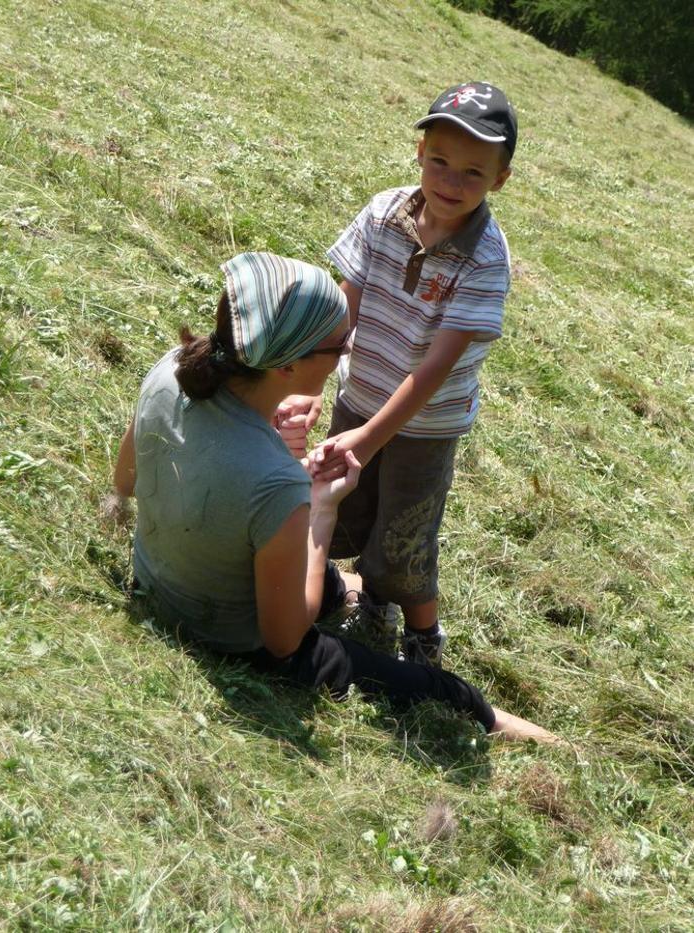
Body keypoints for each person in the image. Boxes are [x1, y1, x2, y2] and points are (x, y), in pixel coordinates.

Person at [113, 251, 555, 743]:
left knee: (315, 573)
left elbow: (126, 480)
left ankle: (348, 592)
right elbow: (284, 641)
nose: (347, 353)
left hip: (156, 581)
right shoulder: (276, 482)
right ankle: (540, 739)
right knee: (442, 689)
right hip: (226, 635)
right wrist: (320, 511)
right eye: (339, 346)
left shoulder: (170, 370)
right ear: (286, 366)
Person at [288, 82, 518, 668]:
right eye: (439, 160)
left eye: (472, 171)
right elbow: (346, 309)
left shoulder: (486, 258)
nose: (450, 181)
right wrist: (310, 389)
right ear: (419, 152)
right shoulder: (383, 212)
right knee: (349, 505)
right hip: (360, 391)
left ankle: (423, 635)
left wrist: (370, 438)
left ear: (500, 178)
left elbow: (437, 369)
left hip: (427, 423)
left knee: (405, 533)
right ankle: (370, 601)